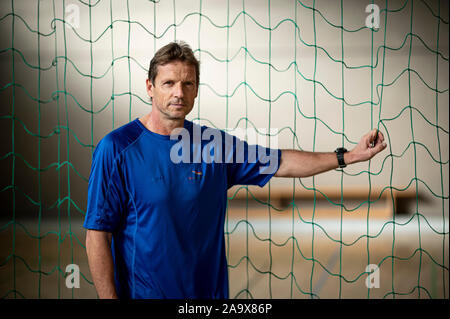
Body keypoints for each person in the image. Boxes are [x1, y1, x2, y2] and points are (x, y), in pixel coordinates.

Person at [84, 41, 387, 299]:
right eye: (169, 83)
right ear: (150, 87)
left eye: (188, 83)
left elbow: (281, 161)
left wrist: (348, 156)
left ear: (196, 90)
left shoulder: (213, 145)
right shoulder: (117, 148)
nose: (179, 92)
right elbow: (98, 235)